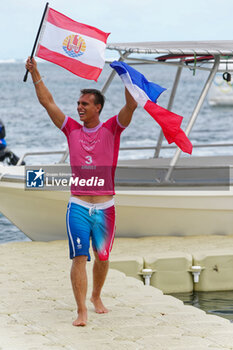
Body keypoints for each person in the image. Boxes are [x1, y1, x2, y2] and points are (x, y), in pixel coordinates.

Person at [25, 57, 137, 327]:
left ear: (98, 107)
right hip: (78, 206)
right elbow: (48, 102)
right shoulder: (71, 129)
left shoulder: (112, 128)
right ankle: (81, 310)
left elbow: (131, 105)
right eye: (78, 104)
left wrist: (124, 75)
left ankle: (96, 296)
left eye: (84, 104)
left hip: (105, 206)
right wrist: (36, 72)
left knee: (103, 257)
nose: (79, 108)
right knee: (79, 257)